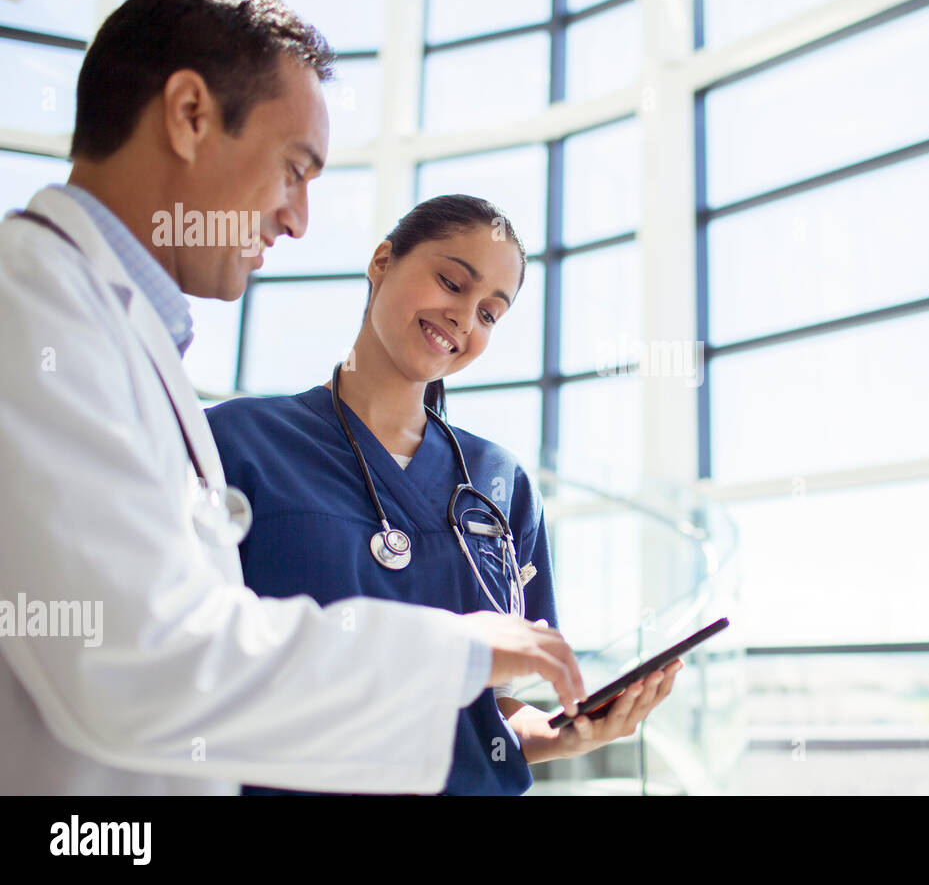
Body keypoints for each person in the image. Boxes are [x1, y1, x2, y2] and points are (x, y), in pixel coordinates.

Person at [0, 0, 586, 795]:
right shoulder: (33, 308)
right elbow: (137, 656)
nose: (298, 218)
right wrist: (454, 652)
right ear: (191, 115)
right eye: (293, 169)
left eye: (493, 309)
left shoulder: (115, 334)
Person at [205, 195, 684, 795]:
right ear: (382, 263)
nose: (464, 318)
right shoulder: (236, 444)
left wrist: (565, 736)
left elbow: (489, 714)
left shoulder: (499, 485)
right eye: (452, 282)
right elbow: (195, 663)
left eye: (490, 313)